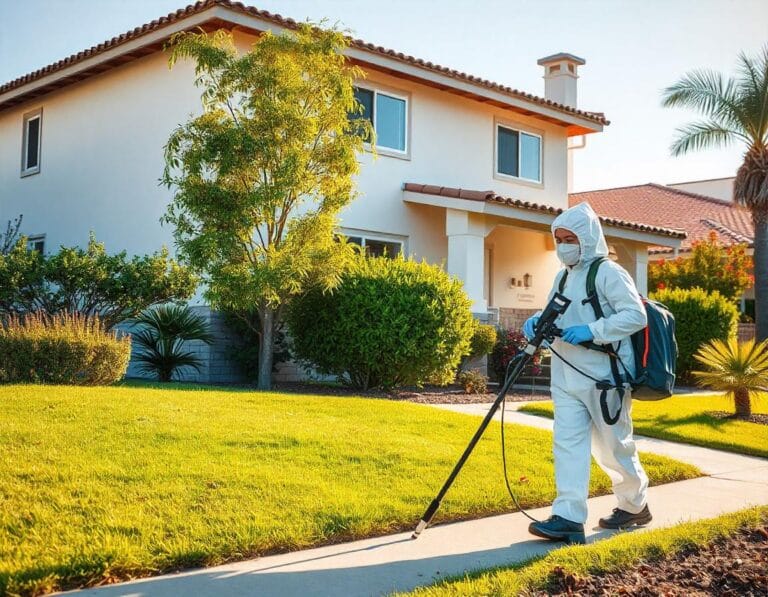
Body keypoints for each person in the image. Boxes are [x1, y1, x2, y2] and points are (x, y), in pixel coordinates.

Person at [523, 202, 651, 544]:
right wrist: (537, 322)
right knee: (567, 444)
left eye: (571, 238)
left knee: (612, 448)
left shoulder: (608, 273)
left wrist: (592, 330)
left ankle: (634, 504)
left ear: (588, 238)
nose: (564, 245)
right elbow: (555, 312)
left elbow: (635, 316)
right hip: (565, 375)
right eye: (559, 238)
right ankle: (567, 517)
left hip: (604, 377)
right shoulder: (563, 276)